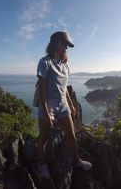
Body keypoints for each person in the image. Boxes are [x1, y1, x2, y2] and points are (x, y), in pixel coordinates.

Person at [36, 31, 92, 178]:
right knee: (43, 138)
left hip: (63, 106)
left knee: (71, 136)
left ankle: (77, 160)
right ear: (56, 44)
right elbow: (42, 91)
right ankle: (42, 164)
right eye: (65, 45)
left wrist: (71, 105)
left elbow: (65, 88)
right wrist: (47, 114)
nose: (66, 48)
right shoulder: (45, 62)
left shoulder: (65, 66)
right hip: (49, 107)